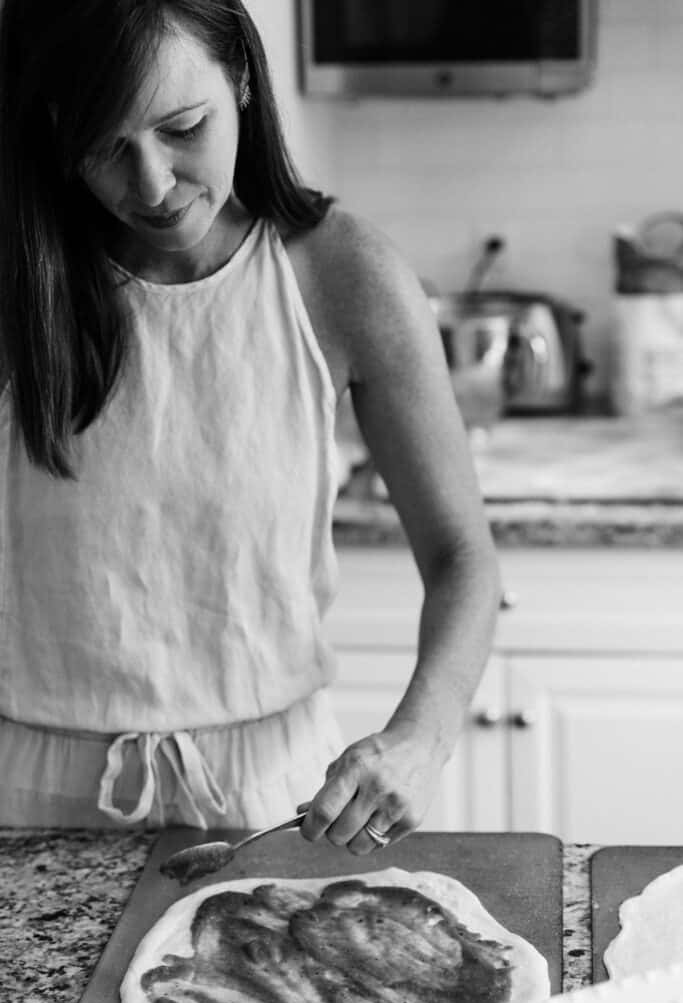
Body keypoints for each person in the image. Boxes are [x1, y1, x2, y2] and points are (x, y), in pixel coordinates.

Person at [0, 0, 501, 855]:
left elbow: (464, 557)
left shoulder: (342, 274)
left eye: (182, 128)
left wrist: (419, 739)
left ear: (239, 77)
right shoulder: (18, 271)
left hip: (275, 796)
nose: (152, 184)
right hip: (26, 793)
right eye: (105, 146)